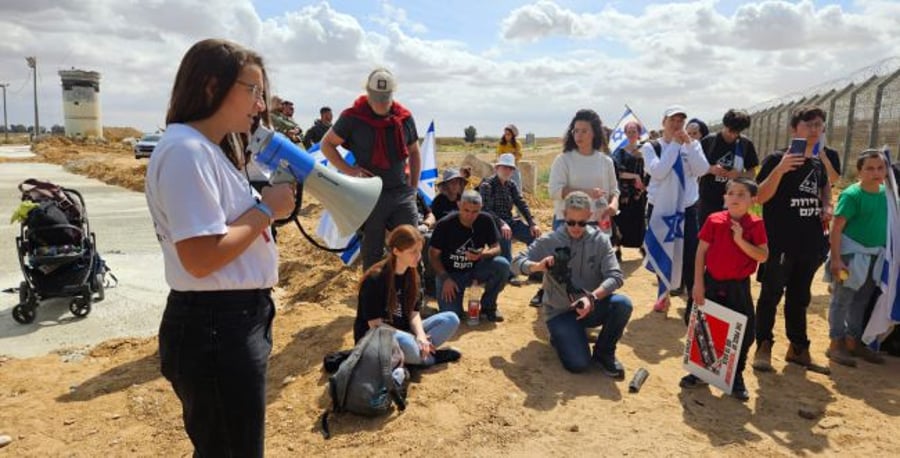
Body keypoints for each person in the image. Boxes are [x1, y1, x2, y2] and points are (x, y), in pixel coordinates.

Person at [145, 38, 296, 457]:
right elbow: (201, 257)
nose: (261, 105)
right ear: (212, 86)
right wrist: (267, 210)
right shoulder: (186, 152)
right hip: (216, 327)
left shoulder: (204, 150)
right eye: (253, 91)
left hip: (226, 322)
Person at [512, 191, 632, 378]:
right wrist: (536, 266)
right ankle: (562, 336)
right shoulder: (550, 240)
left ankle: (604, 353)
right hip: (560, 312)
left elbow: (615, 276)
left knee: (622, 305)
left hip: (590, 306)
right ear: (564, 216)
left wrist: (592, 297)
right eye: (571, 222)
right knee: (578, 364)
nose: (576, 227)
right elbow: (515, 263)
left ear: (590, 217)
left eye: (582, 223)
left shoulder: (600, 240)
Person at [752, 105, 833, 375]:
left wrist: (827, 204)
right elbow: (759, 197)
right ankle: (763, 346)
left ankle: (798, 349)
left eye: (819, 125)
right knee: (770, 296)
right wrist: (781, 170)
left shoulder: (818, 162)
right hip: (780, 242)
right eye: (808, 124)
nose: (814, 129)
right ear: (794, 129)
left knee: (800, 298)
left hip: (810, 243)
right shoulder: (777, 159)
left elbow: (824, 187)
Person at [320, 67, 421, 270]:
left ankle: (410, 298)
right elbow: (327, 144)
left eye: (384, 98)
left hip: (401, 193)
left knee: (411, 248)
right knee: (372, 253)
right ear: (367, 92)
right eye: (376, 98)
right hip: (369, 195)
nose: (380, 103)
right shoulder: (352, 117)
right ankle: (374, 298)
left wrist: (413, 188)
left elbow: (414, 152)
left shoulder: (404, 118)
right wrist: (350, 170)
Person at [680, 178, 768, 401]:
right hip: (710, 281)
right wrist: (698, 284)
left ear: (752, 200)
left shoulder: (755, 224)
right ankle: (700, 371)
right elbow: (701, 253)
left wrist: (740, 239)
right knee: (702, 324)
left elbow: (763, 255)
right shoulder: (714, 220)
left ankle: (735, 374)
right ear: (725, 198)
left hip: (737, 286)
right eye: (732, 193)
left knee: (744, 332)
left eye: (742, 194)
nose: (736, 198)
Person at [354, 225, 461, 365]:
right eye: (413, 252)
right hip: (378, 337)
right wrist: (411, 338)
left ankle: (418, 355)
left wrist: (421, 336)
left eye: (420, 251)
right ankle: (429, 359)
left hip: (404, 331)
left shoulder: (411, 273)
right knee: (408, 343)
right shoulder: (375, 279)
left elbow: (414, 313)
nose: (418, 256)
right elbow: (375, 325)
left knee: (451, 319)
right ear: (396, 251)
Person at [642, 105, 709, 313]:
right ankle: (663, 295)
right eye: (672, 120)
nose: (677, 125)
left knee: (690, 253)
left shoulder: (693, 144)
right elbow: (659, 171)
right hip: (661, 210)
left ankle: (691, 298)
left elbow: (702, 169)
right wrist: (674, 146)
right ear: (664, 122)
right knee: (662, 251)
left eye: (681, 121)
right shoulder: (651, 146)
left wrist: (688, 146)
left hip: (687, 209)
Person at [825, 150, 888, 367]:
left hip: (875, 257)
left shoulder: (887, 195)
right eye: (869, 168)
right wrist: (836, 259)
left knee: (862, 298)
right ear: (859, 172)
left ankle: (853, 340)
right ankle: (835, 342)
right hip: (851, 257)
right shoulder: (852, 195)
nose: (876, 173)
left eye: (880, 168)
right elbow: (837, 229)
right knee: (842, 299)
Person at [429, 190, 509, 322]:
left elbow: (497, 248)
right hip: (451, 274)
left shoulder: (486, 220)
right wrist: (445, 278)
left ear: (481, 208)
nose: (470, 215)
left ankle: (489, 307)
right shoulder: (445, 224)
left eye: (475, 211)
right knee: (451, 316)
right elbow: (433, 255)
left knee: (502, 265)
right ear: (459, 205)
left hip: (476, 269)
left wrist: (482, 255)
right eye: (466, 210)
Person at [548, 109, 619, 232]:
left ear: (594, 133)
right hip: (568, 224)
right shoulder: (563, 160)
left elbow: (614, 191)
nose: (579, 135)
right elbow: (555, 191)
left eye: (584, 131)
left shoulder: (606, 161)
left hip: (599, 224)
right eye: (576, 131)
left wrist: (613, 205)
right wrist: (587, 193)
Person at [479, 153, 541, 286]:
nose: (507, 171)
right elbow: (485, 209)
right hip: (493, 223)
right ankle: (509, 274)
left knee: (534, 236)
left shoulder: (511, 185)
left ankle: (534, 269)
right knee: (505, 239)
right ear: (497, 168)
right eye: (504, 167)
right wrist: (501, 223)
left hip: (509, 221)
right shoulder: (487, 185)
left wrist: (532, 223)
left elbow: (521, 203)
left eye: (510, 168)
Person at [698, 109, 760, 228]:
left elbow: (753, 172)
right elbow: (695, 167)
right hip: (708, 200)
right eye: (730, 130)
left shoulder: (745, 144)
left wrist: (739, 175)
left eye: (737, 132)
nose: (732, 135)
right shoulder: (709, 141)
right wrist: (711, 169)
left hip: (735, 201)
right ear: (724, 125)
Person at [611, 121, 648, 259]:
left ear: (639, 133)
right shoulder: (620, 152)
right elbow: (618, 172)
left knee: (639, 220)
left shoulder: (646, 150)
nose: (632, 134)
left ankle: (642, 246)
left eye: (634, 131)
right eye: (629, 131)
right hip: (625, 192)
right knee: (622, 219)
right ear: (625, 134)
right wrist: (635, 176)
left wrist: (644, 183)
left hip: (640, 192)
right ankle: (618, 248)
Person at [497, 124, 523, 188]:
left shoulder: (517, 144)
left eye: (508, 134)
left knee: (516, 183)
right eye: (505, 134)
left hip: (513, 166)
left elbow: (519, 155)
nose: (506, 136)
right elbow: (499, 155)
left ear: (513, 135)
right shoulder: (502, 144)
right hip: (503, 167)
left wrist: (511, 159)